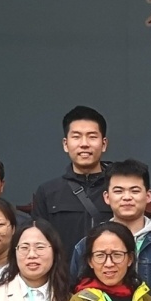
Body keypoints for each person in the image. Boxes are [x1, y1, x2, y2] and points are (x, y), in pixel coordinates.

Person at [71, 159, 151, 301]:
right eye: (118, 191)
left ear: (148, 196)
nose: (127, 197)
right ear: (107, 197)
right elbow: (74, 297)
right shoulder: (86, 246)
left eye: (135, 191)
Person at [31, 106, 113, 253]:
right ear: (65, 144)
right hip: (64, 268)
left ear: (104, 144)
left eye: (92, 136)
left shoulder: (117, 189)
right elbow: (38, 242)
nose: (84, 144)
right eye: (76, 137)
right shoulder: (48, 192)